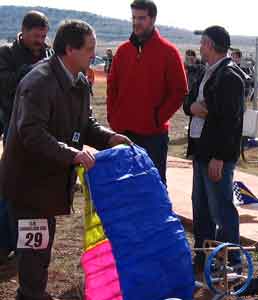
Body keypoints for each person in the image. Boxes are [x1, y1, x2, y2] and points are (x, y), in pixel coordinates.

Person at [0, 19, 131, 300]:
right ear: (70, 50)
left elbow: (86, 125)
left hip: (49, 182)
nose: (93, 55)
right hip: (28, 184)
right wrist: (73, 155)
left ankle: (33, 292)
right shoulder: (39, 81)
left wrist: (110, 138)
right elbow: (31, 133)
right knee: (33, 249)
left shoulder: (79, 82)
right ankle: (31, 295)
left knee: (40, 246)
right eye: (89, 49)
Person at [183, 25, 246, 274]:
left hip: (215, 155)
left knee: (221, 209)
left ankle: (231, 262)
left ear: (209, 44)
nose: (200, 48)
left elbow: (230, 121)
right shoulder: (206, 72)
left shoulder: (230, 76)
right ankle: (204, 258)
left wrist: (219, 157)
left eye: (203, 43)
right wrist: (194, 108)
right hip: (201, 151)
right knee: (200, 208)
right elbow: (188, 102)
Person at [107, 0, 188, 184]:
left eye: (141, 18)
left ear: (152, 19)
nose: (136, 22)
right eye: (134, 18)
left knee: (154, 186)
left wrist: (157, 118)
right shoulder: (123, 51)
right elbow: (112, 87)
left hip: (154, 136)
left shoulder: (169, 52)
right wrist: (113, 117)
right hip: (124, 133)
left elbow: (179, 91)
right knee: (125, 186)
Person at [0, 10, 52, 265]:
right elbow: (4, 84)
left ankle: (26, 246)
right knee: (9, 187)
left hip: (41, 131)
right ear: (24, 30)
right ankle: (3, 243)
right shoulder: (6, 53)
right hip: (12, 128)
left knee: (33, 192)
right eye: (36, 35)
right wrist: (30, 71)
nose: (40, 40)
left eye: (43, 36)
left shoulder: (49, 53)